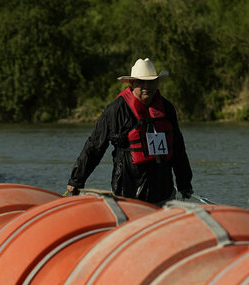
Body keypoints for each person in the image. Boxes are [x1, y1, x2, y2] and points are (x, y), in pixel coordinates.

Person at [66, 58, 193, 205]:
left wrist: (184, 184)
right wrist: (76, 180)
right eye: (141, 82)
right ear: (132, 83)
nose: (147, 86)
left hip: (163, 191)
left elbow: (178, 149)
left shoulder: (167, 108)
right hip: (127, 191)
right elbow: (95, 146)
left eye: (151, 81)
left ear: (157, 83)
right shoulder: (115, 110)